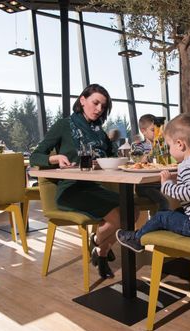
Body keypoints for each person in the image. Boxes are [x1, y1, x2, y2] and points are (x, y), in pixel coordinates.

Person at [30, 84, 122, 279]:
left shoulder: (98, 131)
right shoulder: (64, 125)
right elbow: (35, 156)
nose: (99, 109)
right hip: (70, 190)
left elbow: (113, 154)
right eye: (95, 103)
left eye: (103, 106)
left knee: (133, 211)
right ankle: (102, 253)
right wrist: (54, 159)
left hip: (93, 187)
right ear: (82, 100)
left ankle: (97, 245)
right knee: (119, 216)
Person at [116, 113, 190, 252]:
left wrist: (167, 184)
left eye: (169, 146)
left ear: (180, 144)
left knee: (162, 216)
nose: (169, 150)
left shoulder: (186, 166)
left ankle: (136, 239)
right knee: (175, 212)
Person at [132, 114, 170, 211]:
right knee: (163, 202)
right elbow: (138, 159)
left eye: (159, 129)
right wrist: (153, 152)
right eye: (153, 130)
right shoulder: (140, 146)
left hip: (160, 183)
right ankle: (161, 222)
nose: (157, 133)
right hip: (145, 187)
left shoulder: (163, 146)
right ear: (143, 131)